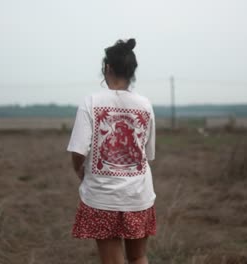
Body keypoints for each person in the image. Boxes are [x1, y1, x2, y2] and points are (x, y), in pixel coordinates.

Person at [66, 38, 156, 264]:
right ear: (131, 72)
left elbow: (78, 150)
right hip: (138, 194)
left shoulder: (91, 102)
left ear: (107, 68)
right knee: (139, 257)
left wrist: (79, 170)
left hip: (102, 197)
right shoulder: (145, 105)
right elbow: (148, 154)